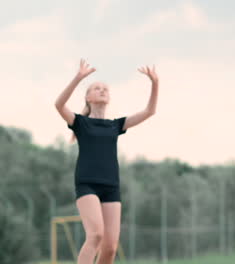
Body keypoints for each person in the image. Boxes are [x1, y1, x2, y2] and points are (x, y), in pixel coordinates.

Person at [54, 59, 159, 264]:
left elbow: (149, 112)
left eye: (105, 89)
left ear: (109, 97)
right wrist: (78, 78)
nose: (102, 90)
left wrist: (155, 83)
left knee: (110, 248)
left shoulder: (116, 125)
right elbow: (58, 105)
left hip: (111, 187)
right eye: (96, 88)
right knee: (95, 236)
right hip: (87, 185)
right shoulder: (80, 123)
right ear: (88, 97)